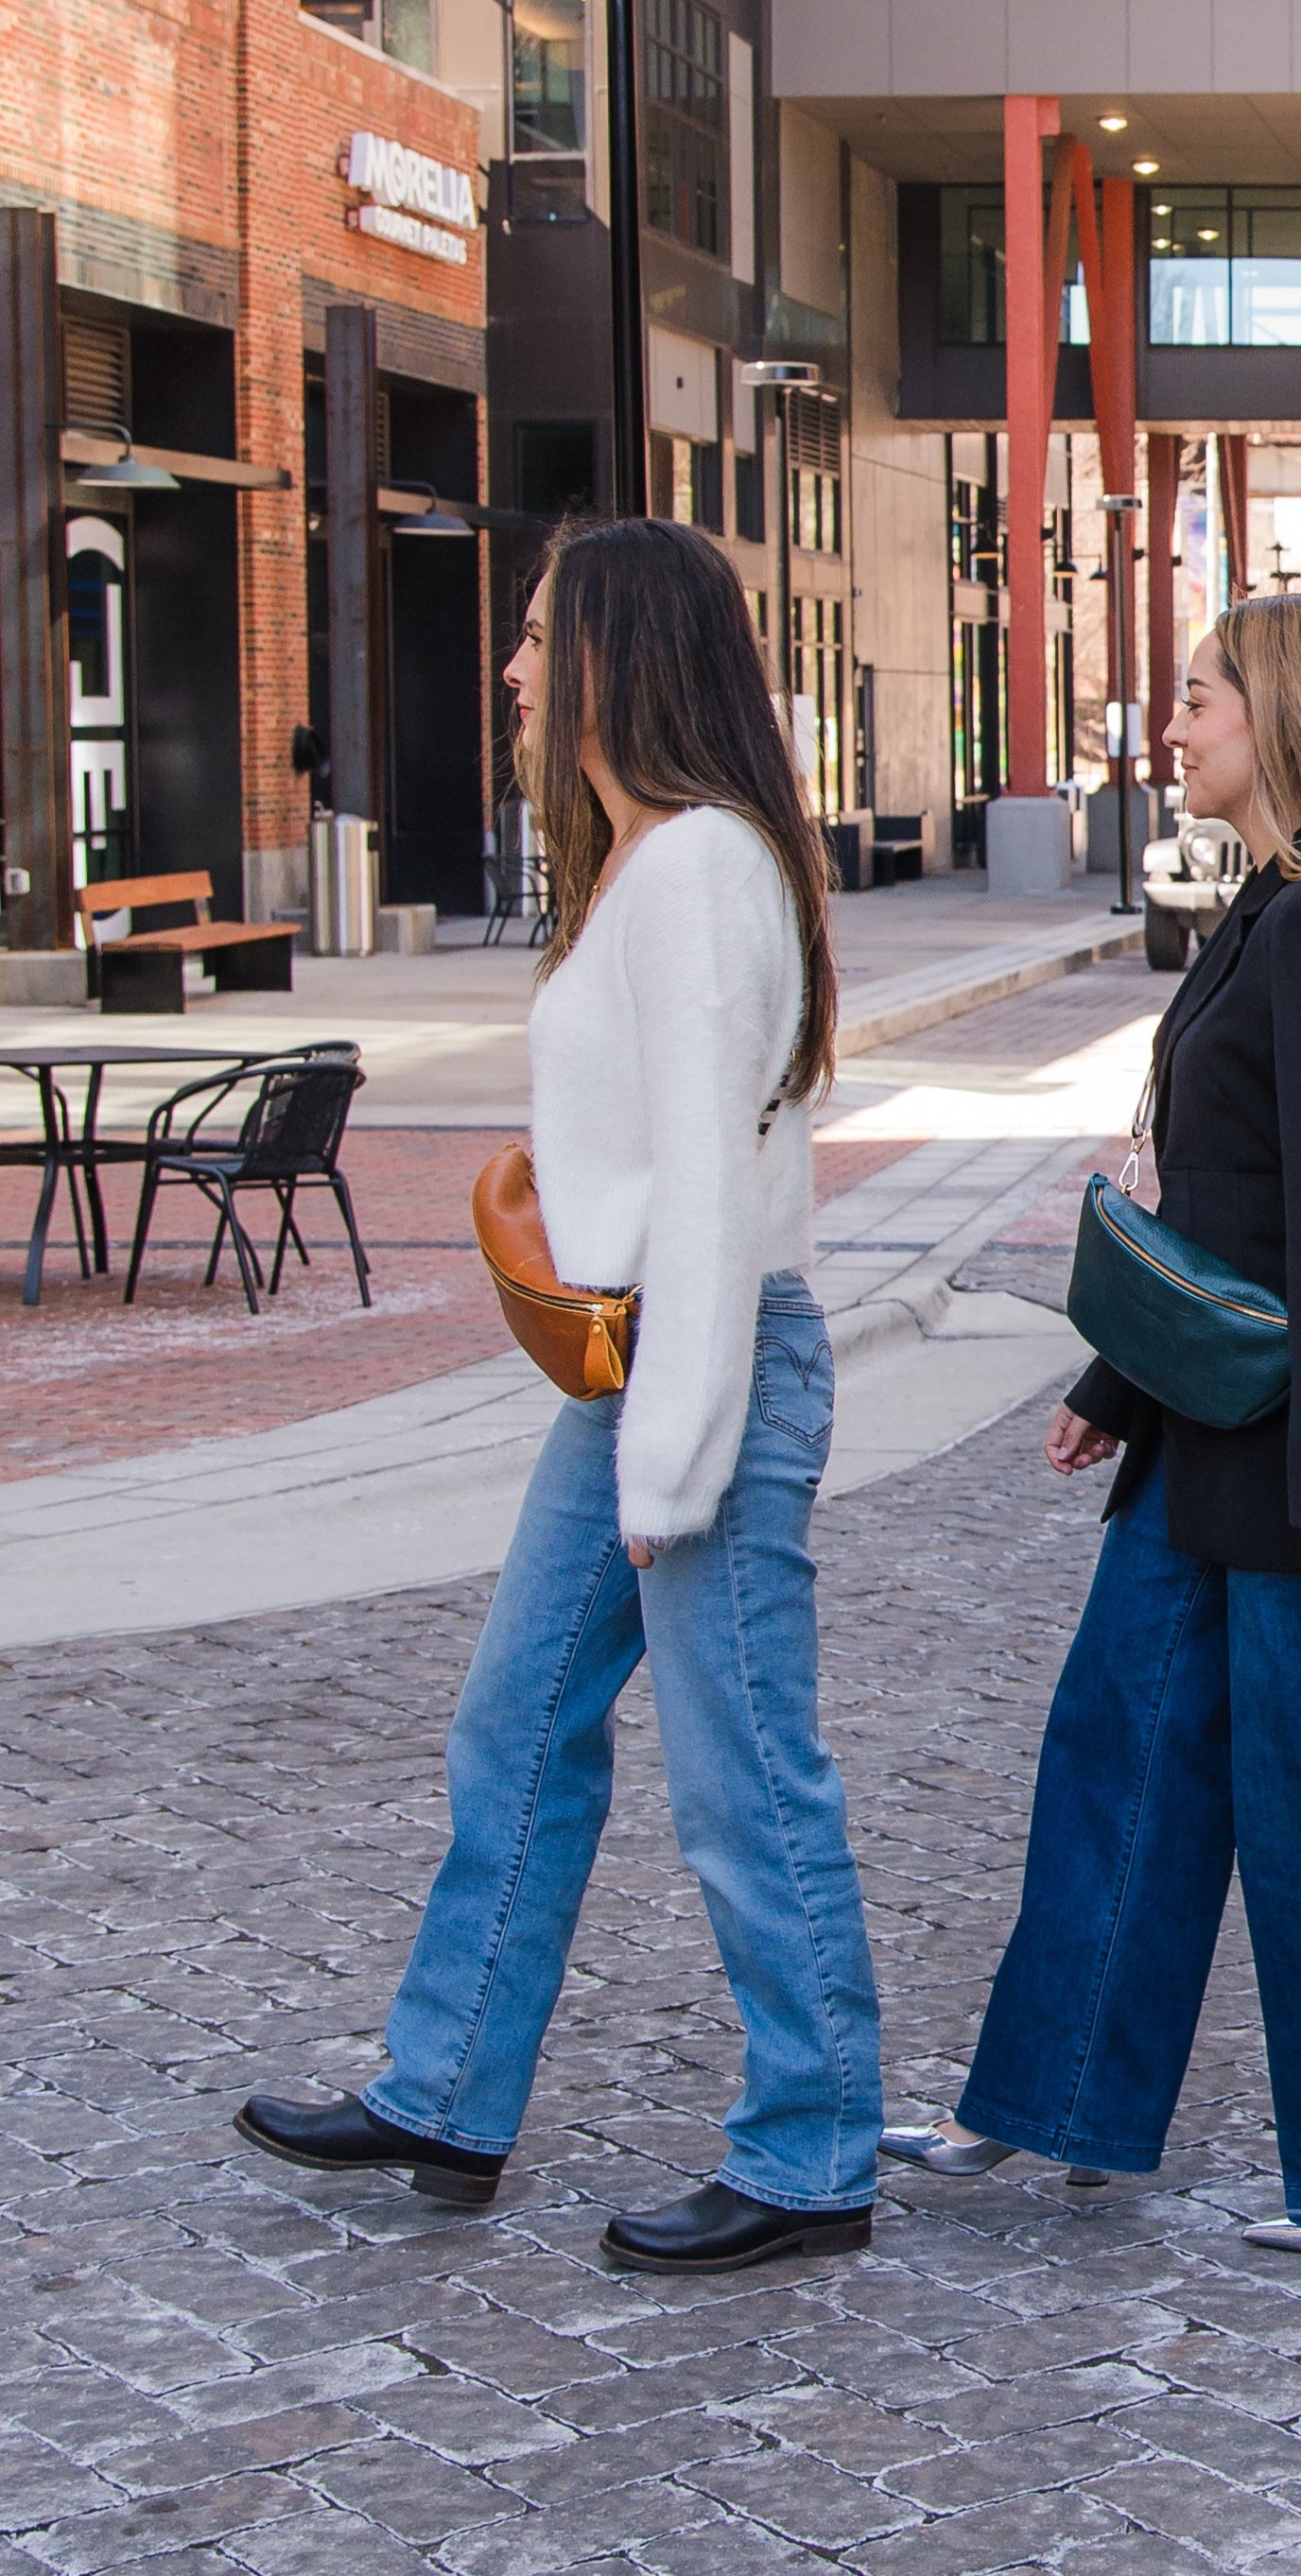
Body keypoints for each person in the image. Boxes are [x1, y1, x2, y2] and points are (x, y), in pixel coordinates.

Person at [234, 518, 874, 2271]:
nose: (512, 669)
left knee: (747, 1778)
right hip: (640, 1370)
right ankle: (443, 2090)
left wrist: (672, 1460)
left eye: (537, 638)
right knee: (514, 1728)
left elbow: (711, 1185)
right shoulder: (656, 863)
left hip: (705, 1363)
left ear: (614, 656)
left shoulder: (699, 871)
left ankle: (812, 2152)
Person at [880, 593, 1301, 2256]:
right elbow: (1227, 1206)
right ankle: (1054, 2099)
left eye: (1200, 694)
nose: (1173, 721)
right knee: (1123, 1755)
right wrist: (1114, 1383)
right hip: (1207, 1420)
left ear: (1285, 713)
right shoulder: (1265, 909)